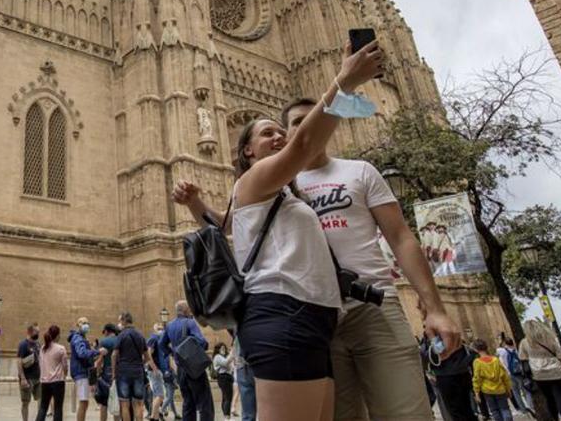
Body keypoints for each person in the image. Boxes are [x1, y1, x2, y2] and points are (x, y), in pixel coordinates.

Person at [173, 40, 383, 421]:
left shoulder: (281, 194)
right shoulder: (257, 179)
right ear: (248, 152)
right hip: (283, 313)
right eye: (267, 134)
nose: (278, 137)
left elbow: (231, 230)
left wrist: (196, 206)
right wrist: (344, 82)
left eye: (278, 133)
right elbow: (304, 142)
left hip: (312, 318)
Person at [280, 94, 463, 421]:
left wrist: (435, 308)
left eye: (316, 117)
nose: (309, 125)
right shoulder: (278, 189)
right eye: (298, 122)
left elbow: (401, 238)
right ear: (287, 134)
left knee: (407, 414)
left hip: (375, 305)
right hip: (315, 319)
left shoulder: (360, 172)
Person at [158, 302, 213, 421]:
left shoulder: (169, 326)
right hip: (194, 369)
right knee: (204, 403)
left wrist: (173, 352)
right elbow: (201, 342)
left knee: (188, 404)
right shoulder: (190, 322)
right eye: (189, 308)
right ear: (186, 310)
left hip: (180, 369)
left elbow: (161, 344)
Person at [521, 319, 561, 421]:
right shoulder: (549, 339)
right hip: (556, 371)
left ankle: (554, 418)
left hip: (539, 374)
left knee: (549, 399)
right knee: (560, 398)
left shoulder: (524, 343)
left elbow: (523, 359)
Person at [112, 312, 153, 421]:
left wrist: (113, 373)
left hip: (123, 372)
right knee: (138, 404)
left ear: (124, 321)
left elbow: (114, 355)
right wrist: (139, 363)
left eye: (120, 320)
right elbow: (147, 357)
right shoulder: (140, 335)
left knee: (124, 404)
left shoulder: (121, 335)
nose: (119, 323)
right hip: (138, 372)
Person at [429, 340, 478, 421]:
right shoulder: (459, 344)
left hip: (447, 377)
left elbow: (432, 361)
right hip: (461, 374)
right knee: (466, 408)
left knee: (456, 411)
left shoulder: (437, 344)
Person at [471, 339, 513, 421]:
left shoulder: (477, 362)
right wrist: (508, 389)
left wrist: (476, 392)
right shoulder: (496, 360)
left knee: (494, 410)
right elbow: (504, 376)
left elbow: (477, 378)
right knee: (505, 408)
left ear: (476, 349)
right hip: (500, 388)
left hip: (487, 390)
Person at [37, 325, 69, 421]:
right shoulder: (61, 349)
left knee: (43, 407)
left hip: (45, 382)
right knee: (58, 408)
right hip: (58, 381)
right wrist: (65, 374)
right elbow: (65, 366)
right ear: (57, 335)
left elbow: (41, 363)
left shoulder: (43, 348)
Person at [71, 318, 100, 421]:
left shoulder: (82, 338)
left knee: (85, 403)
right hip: (81, 373)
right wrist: (96, 352)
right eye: (83, 323)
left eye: (87, 323)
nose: (86, 325)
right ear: (78, 325)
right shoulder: (78, 338)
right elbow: (82, 353)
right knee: (83, 403)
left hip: (84, 372)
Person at [496, 336, 533, 415]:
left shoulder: (502, 352)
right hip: (519, 373)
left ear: (505, 344)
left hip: (509, 374)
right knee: (525, 390)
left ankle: (523, 409)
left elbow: (500, 358)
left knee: (516, 393)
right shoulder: (516, 351)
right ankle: (531, 406)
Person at [145, 323, 172, 421]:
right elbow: (148, 354)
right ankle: (152, 417)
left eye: (162, 328)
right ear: (155, 329)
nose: (161, 330)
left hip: (156, 370)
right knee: (160, 395)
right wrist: (155, 369)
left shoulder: (159, 339)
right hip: (154, 371)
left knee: (156, 395)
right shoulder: (154, 338)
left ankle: (155, 417)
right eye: (159, 328)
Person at [19, 324, 43, 421]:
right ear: (29, 332)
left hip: (38, 377)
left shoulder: (38, 344)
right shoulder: (23, 344)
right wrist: (23, 378)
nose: (38, 333)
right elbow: (19, 361)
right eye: (36, 331)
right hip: (27, 378)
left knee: (41, 401)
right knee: (25, 402)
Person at [230, 336, 254, 421]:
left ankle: (233, 407)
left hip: (242, 368)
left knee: (248, 414)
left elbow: (234, 355)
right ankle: (233, 407)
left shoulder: (239, 333)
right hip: (253, 367)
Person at [211, 344, 234, 419]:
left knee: (225, 397)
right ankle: (226, 416)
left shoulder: (223, 356)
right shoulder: (217, 356)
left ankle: (226, 415)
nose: (224, 350)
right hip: (223, 377)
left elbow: (230, 366)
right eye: (222, 348)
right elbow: (225, 363)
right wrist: (232, 353)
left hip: (227, 377)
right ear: (218, 349)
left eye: (224, 348)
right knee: (228, 397)